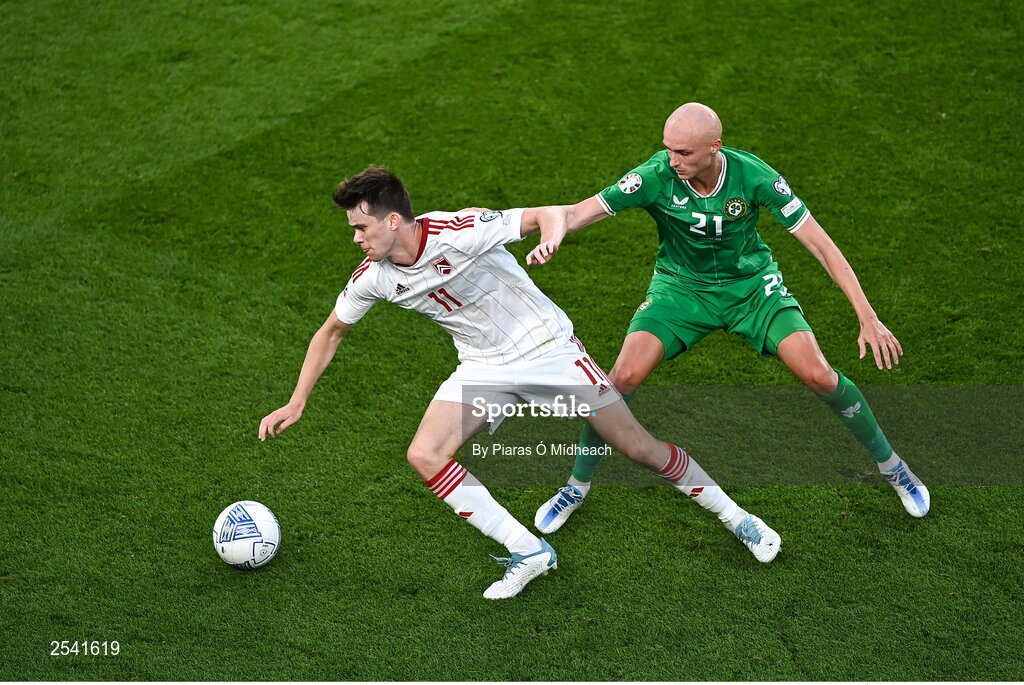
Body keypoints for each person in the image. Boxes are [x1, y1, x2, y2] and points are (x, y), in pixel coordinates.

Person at [259, 165, 781, 600]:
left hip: (547, 349)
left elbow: (545, 215)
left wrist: (551, 236)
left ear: (393, 220)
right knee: (425, 453)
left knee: (639, 448)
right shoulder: (373, 276)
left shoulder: (459, 230)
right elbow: (330, 333)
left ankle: (737, 517)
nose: (356, 238)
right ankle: (528, 550)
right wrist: (296, 400)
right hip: (484, 367)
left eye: (361, 228)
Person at [531, 102, 929, 536]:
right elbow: (574, 212)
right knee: (618, 380)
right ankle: (576, 485)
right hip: (680, 291)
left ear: (714, 147)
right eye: (667, 150)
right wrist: (553, 233)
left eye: (683, 153)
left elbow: (822, 246)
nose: (672, 160)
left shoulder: (753, 175)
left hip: (752, 289)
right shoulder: (654, 175)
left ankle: (893, 467)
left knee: (820, 376)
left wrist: (867, 317)